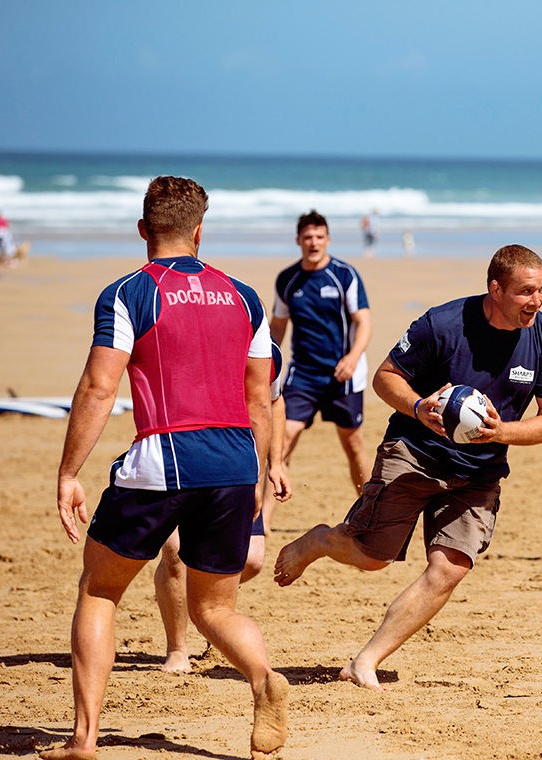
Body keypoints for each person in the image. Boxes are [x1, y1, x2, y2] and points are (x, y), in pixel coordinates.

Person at [46, 176, 287, 760]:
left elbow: (100, 386)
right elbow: (262, 396)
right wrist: (263, 470)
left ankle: (83, 739)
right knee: (215, 609)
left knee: (100, 591)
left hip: (163, 458)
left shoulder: (128, 293)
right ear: (200, 231)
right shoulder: (245, 295)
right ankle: (261, 678)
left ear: (142, 230)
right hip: (232, 463)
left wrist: (68, 472)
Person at [273, 244, 542, 692]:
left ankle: (364, 661)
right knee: (373, 558)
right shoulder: (443, 324)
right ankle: (320, 540)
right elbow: (385, 377)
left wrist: (500, 433)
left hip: (481, 470)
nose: (538, 301)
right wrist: (418, 406)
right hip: (414, 451)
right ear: (495, 288)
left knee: (449, 567)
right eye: (527, 291)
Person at [153, 341, 293, 673]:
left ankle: (203, 605)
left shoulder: (265, 349)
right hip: (185, 454)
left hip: (238, 464)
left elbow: (273, 402)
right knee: (174, 551)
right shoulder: (191, 334)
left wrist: (275, 463)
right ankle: (177, 649)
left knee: (252, 560)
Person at [269, 210, 372, 530]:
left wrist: (353, 357)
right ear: (298, 241)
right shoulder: (287, 280)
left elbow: (364, 322)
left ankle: (372, 513)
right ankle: (264, 520)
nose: (313, 243)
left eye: (319, 237)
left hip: (343, 374)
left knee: (353, 445)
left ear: (328, 239)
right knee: (283, 439)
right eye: (307, 237)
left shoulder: (344, 275)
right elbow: (278, 328)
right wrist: (265, 368)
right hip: (303, 375)